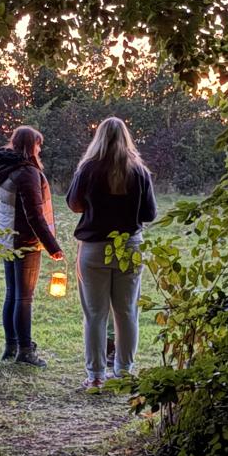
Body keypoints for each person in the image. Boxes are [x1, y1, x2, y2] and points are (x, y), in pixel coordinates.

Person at [66, 117, 157, 391]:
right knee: (127, 312)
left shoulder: (88, 169)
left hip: (94, 249)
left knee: (95, 314)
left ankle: (95, 375)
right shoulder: (139, 171)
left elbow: (73, 204)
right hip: (129, 246)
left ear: (99, 137)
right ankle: (124, 373)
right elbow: (149, 214)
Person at [0, 126, 64, 367]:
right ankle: (25, 350)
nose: (40, 149)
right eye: (38, 145)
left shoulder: (4, 169)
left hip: (6, 239)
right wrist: (53, 247)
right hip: (25, 242)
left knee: (12, 294)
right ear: (31, 146)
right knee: (24, 298)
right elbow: (34, 216)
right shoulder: (27, 173)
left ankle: (10, 346)